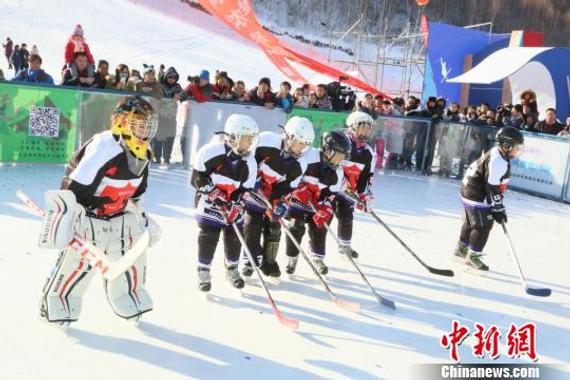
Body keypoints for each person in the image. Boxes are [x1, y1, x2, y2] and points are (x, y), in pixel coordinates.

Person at [37, 96, 160, 324]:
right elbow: (73, 186)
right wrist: (69, 217)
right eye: (139, 124)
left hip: (119, 216)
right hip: (90, 217)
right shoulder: (106, 145)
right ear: (122, 121)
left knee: (129, 259)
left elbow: (136, 192)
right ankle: (58, 304)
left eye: (147, 125)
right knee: (79, 265)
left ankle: (130, 298)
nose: (144, 130)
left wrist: (141, 215)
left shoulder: (144, 151)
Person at [190, 114, 259, 292]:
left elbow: (246, 189)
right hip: (208, 200)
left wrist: (237, 204)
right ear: (233, 136)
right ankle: (203, 270)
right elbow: (197, 178)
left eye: (252, 138)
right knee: (209, 234)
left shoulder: (250, 162)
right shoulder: (211, 151)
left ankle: (232, 269)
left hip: (231, 204)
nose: (250, 142)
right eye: (247, 138)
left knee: (234, 235)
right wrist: (212, 191)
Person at [241, 116, 315, 278]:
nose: (301, 148)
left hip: (269, 194)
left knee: (274, 225)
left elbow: (286, 188)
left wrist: (279, 203)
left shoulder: (300, 164)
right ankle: (249, 259)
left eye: (305, 144)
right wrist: (251, 177)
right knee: (252, 224)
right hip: (250, 191)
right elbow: (245, 160)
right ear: (288, 136)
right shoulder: (266, 140)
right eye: (299, 142)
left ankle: (269, 261)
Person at [454, 126, 524, 271]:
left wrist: (497, 206)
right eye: (516, 147)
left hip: (469, 191)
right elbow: (492, 186)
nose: (518, 151)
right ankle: (473, 257)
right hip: (476, 195)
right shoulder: (499, 161)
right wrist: (497, 207)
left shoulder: (497, 152)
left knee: (471, 222)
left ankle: (461, 249)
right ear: (506, 146)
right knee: (483, 225)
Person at [284, 131, 350, 275]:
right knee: (296, 226)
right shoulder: (308, 157)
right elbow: (291, 178)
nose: (341, 160)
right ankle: (292, 257)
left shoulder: (337, 172)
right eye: (339, 155)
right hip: (298, 201)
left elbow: (332, 195)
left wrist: (326, 208)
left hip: (317, 203)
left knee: (320, 227)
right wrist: (300, 188)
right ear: (327, 149)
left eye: (343, 156)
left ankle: (317, 256)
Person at [334, 111, 375, 259]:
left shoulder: (368, 152)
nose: (366, 131)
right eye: (362, 127)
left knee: (346, 216)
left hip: (348, 191)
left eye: (368, 128)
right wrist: (338, 179)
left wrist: (364, 195)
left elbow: (367, 176)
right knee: (321, 218)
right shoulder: (341, 143)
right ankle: (316, 250)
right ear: (352, 127)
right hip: (330, 188)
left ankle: (345, 245)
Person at [154, 66, 182, 165]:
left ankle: (166, 158)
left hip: (171, 116)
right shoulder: (161, 85)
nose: (172, 79)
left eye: (174, 77)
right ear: (166, 77)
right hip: (160, 115)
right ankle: (156, 157)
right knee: (158, 136)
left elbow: (184, 94)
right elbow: (155, 94)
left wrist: (180, 95)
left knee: (170, 136)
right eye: (170, 77)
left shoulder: (177, 87)